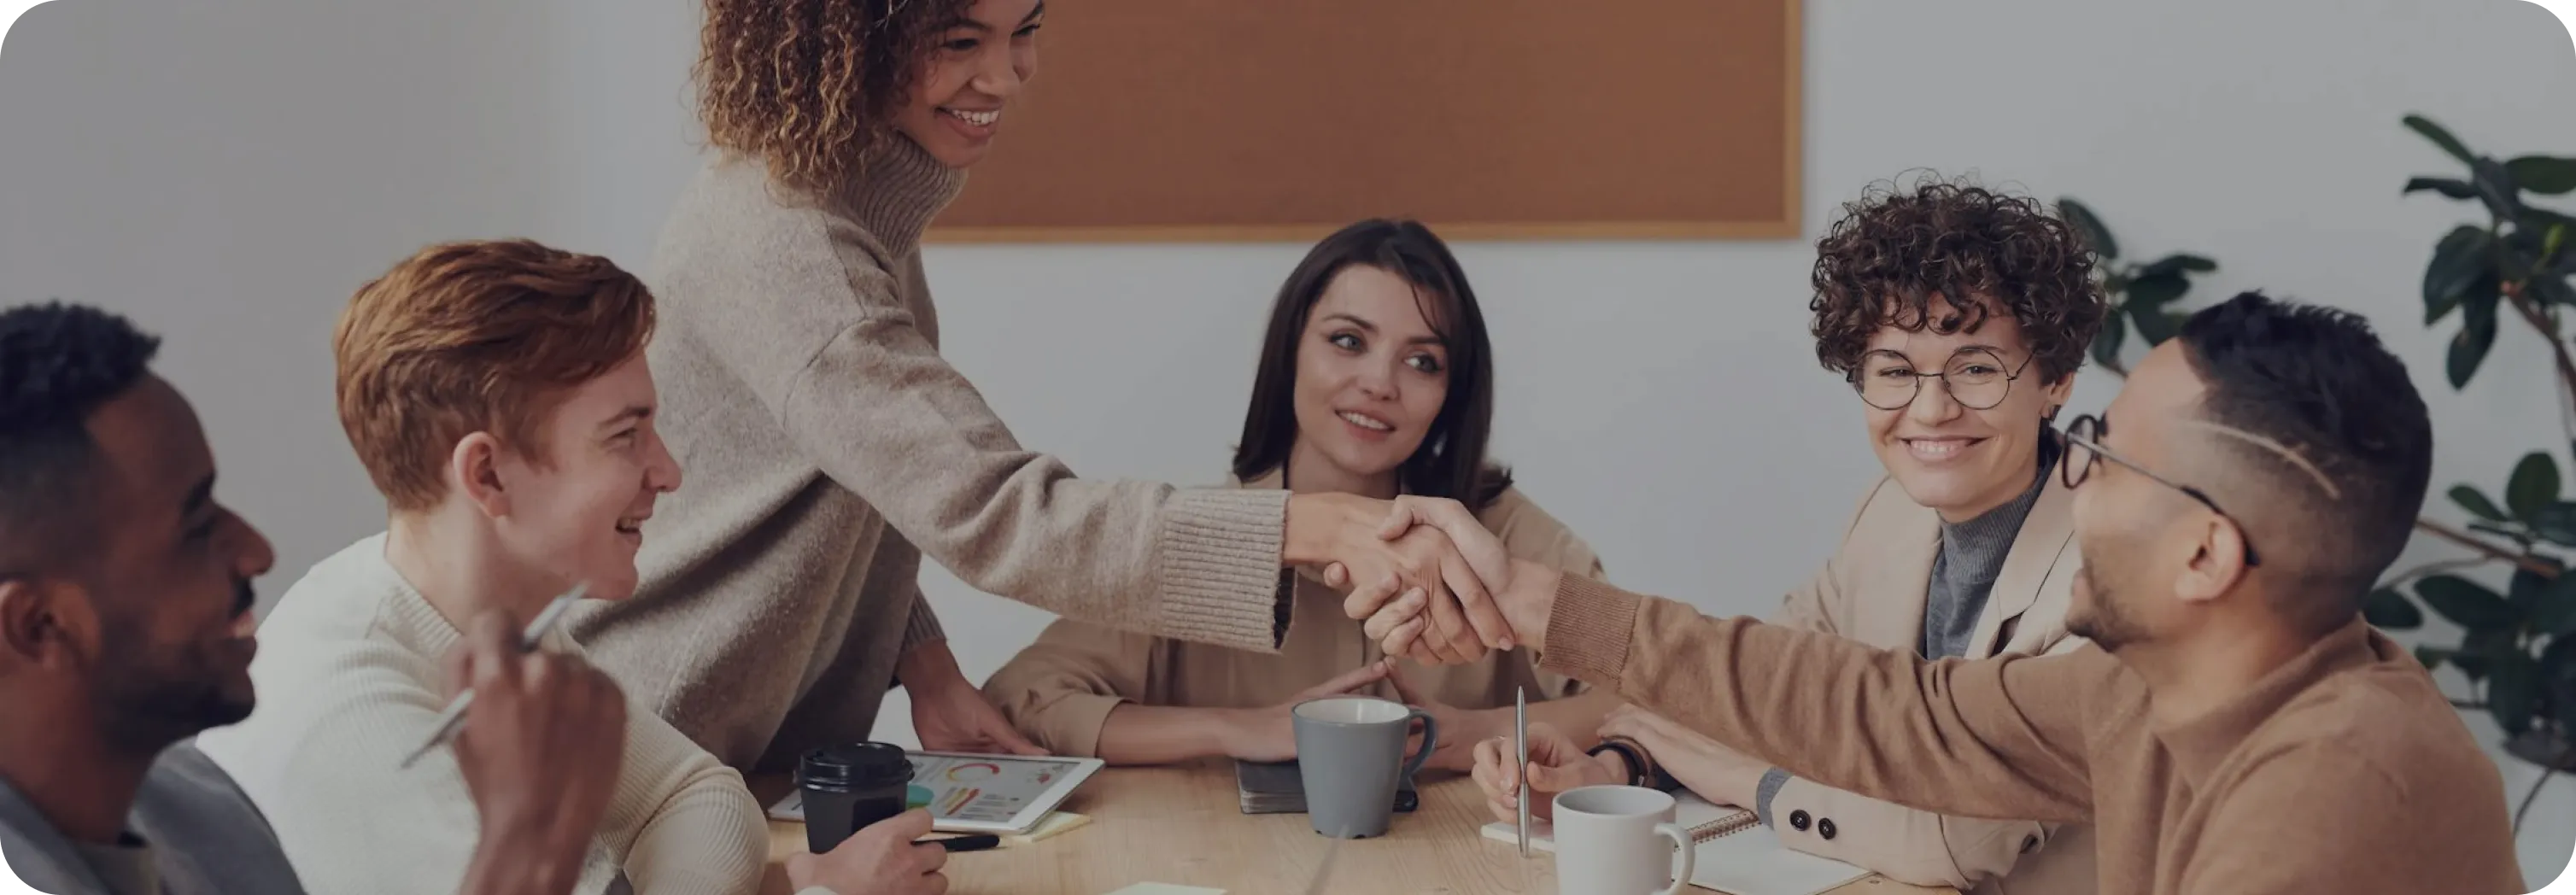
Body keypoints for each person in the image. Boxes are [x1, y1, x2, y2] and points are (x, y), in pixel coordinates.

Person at [571, 0, 1508, 774]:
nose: (1006, 76)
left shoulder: (848, 207)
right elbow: (998, 509)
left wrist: (924, 664)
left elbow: (866, 479)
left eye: (1024, 31)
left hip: (747, 760)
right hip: (658, 748)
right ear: (848, 35)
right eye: (960, 41)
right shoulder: (796, 246)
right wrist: (1305, 526)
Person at [1373, 293, 2526, 894]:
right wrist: (1539, 602)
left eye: (2104, 454)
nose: (2074, 473)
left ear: (2206, 559)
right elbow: (1886, 710)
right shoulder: (2144, 694)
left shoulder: (2340, 786)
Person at [190, 242, 947, 895]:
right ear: (486, 476)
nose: (669, 473)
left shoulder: (487, 618)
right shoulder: (354, 717)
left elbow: (699, 796)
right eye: (625, 438)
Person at [1464, 178, 2106, 893]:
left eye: (1977, 368)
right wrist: (1619, 769)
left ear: (2057, 381)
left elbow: (1958, 839)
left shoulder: (2112, 572)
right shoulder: (1889, 514)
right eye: (1895, 371)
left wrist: (1758, 785)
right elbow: (1763, 692)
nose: (1930, 408)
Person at [0, 301, 632, 895]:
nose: (257, 552)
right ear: (39, 626)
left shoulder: (207, 814)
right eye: (196, 529)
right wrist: (528, 846)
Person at [981, 219, 1614, 770]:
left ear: (1452, 395)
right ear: (1290, 352)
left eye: (1422, 362)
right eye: (1348, 341)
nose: (1379, 383)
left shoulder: (1504, 535)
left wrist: (1480, 732)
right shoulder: (1201, 539)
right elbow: (1022, 700)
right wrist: (1243, 728)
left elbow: (1657, 696)